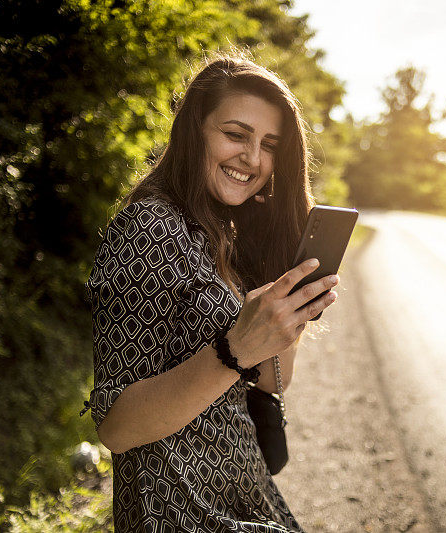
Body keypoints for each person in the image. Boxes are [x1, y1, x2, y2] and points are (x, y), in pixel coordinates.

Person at [79, 55, 340, 532]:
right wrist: (236, 347)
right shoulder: (150, 228)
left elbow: (271, 384)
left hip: (247, 493)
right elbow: (117, 427)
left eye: (269, 145)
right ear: (194, 128)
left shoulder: (222, 227)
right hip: (180, 513)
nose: (254, 159)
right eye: (236, 135)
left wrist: (287, 319)